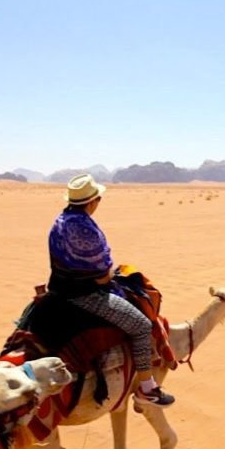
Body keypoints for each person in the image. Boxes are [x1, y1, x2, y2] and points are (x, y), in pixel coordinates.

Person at [47, 173, 174, 408]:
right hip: (85, 295)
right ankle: (147, 389)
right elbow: (102, 274)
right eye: (98, 199)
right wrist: (109, 276)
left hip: (57, 290)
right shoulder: (86, 229)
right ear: (91, 202)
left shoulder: (59, 221)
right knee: (141, 326)